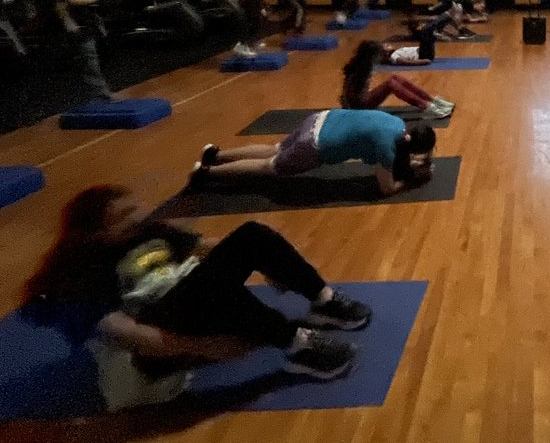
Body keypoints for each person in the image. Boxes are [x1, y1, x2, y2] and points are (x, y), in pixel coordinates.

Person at [22, 185, 370, 407]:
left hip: (200, 300)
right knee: (206, 284)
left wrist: (270, 263)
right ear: (97, 234)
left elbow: (208, 248)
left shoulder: (148, 231)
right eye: (125, 216)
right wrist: (206, 348)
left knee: (251, 234)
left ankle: (323, 302)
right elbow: (131, 335)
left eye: (135, 208)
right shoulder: (83, 275)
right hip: (161, 335)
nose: (140, 215)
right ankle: (297, 347)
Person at [192, 109, 437, 198]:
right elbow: (386, 188)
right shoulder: (388, 148)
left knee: (276, 148)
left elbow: (396, 150)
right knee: (268, 167)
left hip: (320, 119)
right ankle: (207, 173)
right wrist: (411, 180)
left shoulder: (395, 123)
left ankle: (216, 154)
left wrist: (418, 160)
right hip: (315, 145)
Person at [340, 40, 454, 118]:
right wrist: (349, 112)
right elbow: (348, 94)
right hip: (359, 107)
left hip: (362, 100)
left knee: (394, 78)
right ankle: (425, 106)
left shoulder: (363, 65)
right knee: (391, 84)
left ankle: (431, 100)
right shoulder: (360, 69)